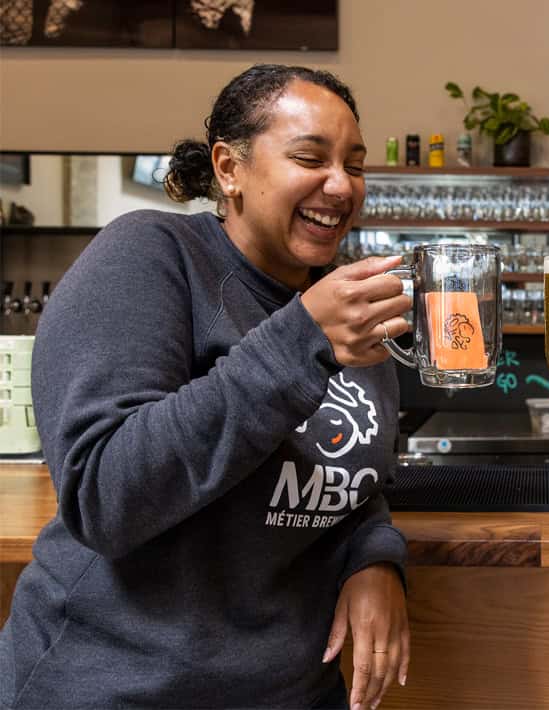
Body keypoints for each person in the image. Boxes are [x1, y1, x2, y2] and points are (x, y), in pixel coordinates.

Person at [0, 64, 413, 710]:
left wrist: (374, 558)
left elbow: (345, 478)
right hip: (116, 687)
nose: (340, 184)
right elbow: (107, 496)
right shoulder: (150, 256)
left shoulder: (341, 308)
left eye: (355, 165)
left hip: (290, 691)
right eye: (310, 157)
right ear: (229, 168)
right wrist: (302, 340)